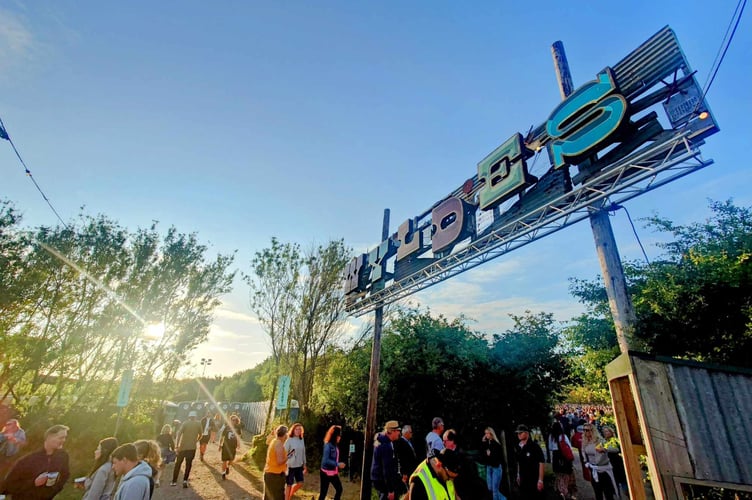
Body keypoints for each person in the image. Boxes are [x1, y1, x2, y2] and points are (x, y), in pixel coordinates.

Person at [2, 424, 70, 499]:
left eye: (65, 437)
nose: (64, 440)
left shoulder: (62, 456)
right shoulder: (28, 460)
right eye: (61, 437)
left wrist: (54, 490)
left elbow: (65, 475)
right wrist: (34, 483)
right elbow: (7, 487)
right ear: (49, 437)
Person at [581, 424, 617, 500]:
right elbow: (583, 452)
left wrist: (604, 449)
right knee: (598, 493)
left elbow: (615, 449)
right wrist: (586, 462)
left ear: (592, 431)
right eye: (584, 430)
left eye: (587, 430)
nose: (585, 432)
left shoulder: (600, 440)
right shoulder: (585, 442)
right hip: (593, 469)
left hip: (604, 470)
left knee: (608, 494)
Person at [370, 420, 402, 500]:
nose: (399, 433)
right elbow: (386, 469)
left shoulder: (382, 440)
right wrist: (390, 490)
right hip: (383, 480)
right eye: (397, 431)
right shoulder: (386, 446)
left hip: (377, 478)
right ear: (391, 431)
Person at [170, 410, 202, 488]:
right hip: (192, 447)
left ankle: (174, 481)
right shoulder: (198, 424)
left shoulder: (185, 423)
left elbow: (179, 434)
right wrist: (196, 440)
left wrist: (177, 445)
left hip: (182, 447)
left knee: (178, 464)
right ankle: (185, 480)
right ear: (195, 417)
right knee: (188, 464)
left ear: (189, 416)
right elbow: (201, 435)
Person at [514, 424, 545, 499]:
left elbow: (541, 463)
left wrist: (540, 480)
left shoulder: (535, 447)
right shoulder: (518, 447)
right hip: (523, 479)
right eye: (518, 433)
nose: (518, 435)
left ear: (527, 433)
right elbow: (518, 462)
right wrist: (518, 474)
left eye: (520, 432)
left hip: (533, 480)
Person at [548, 421, 576, 500]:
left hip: (556, 456)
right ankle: (565, 491)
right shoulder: (564, 436)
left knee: (558, 474)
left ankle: (561, 491)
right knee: (566, 474)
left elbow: (550, 447)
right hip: (564, 456)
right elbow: (569, 446)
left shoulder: (551, 436)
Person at [318, 425, 345, 500]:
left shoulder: (335, 445)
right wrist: (337, 464)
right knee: (323, 493)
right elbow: (325, 460)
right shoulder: (328, 445)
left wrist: (338, 464)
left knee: (339, 489)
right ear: (335, 436)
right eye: (339, 436)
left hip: (333, 472)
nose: (340, 437)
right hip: (325, 473)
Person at [264, 424, 289, 500]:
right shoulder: (279, 444)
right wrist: (289, 456)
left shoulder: (274, 441)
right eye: (287, 434)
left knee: (268, 497)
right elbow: (279, 461)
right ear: (285, 435)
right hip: (275, 475)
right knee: (278, 497)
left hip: (270, 473)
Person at [602, 426, 628, 497]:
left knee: (624, 483)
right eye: (604, 431)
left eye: (607, 431)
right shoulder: (603, 441)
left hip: (618, 464)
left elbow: (616, 449)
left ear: (611, 432)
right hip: (609, 465)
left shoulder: (615, 440)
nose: (605, 433)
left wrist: (605, 449)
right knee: (614, 484)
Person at [481, 427, 506, 500]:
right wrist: (483, 442)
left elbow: (497, 459)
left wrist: (489, 455)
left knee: (495, 490)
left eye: (487, 433)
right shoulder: (486, 443)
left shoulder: (496, 444)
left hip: (496, 468)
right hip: (489, 467)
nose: (486, 435)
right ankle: (503, 498)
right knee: (490, 488)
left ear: (491, 434)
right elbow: (483, 455)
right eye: (485, 433)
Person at [284, 422, 307, 499]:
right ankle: (286, 498)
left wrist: (304, 463)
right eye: (296, 429)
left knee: (300, 483)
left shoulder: (301, 439)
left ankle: (289, 494)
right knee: (289, 484)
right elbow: (284, 453)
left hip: (299, 466)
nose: (298, 431)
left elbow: (303, 452)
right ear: (293, 430)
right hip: (290, 465)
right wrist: (291, 454)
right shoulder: (289, 440)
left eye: (299, 429)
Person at [393, 424, 418, 490]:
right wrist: (404, 472)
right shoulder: (400, 443)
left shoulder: (409, 441)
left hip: (412, 469)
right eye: (411, 432)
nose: (412, 434)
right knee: (408, 488)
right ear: (406, 433)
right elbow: (401, 458)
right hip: (407, 471)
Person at [220, 415, 241, 480]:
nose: (233, 421)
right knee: (224, 460)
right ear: (230, 420)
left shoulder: (238, 428)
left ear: (237, 421)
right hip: (225, 446)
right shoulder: (226, 427)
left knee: (231, 460)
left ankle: (227, 467)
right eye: (232, 420)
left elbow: (238, 437)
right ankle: (223, 473)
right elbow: (222, 436)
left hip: (233, 446)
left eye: (235, 420)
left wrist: (238, 444)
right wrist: (220, 444)